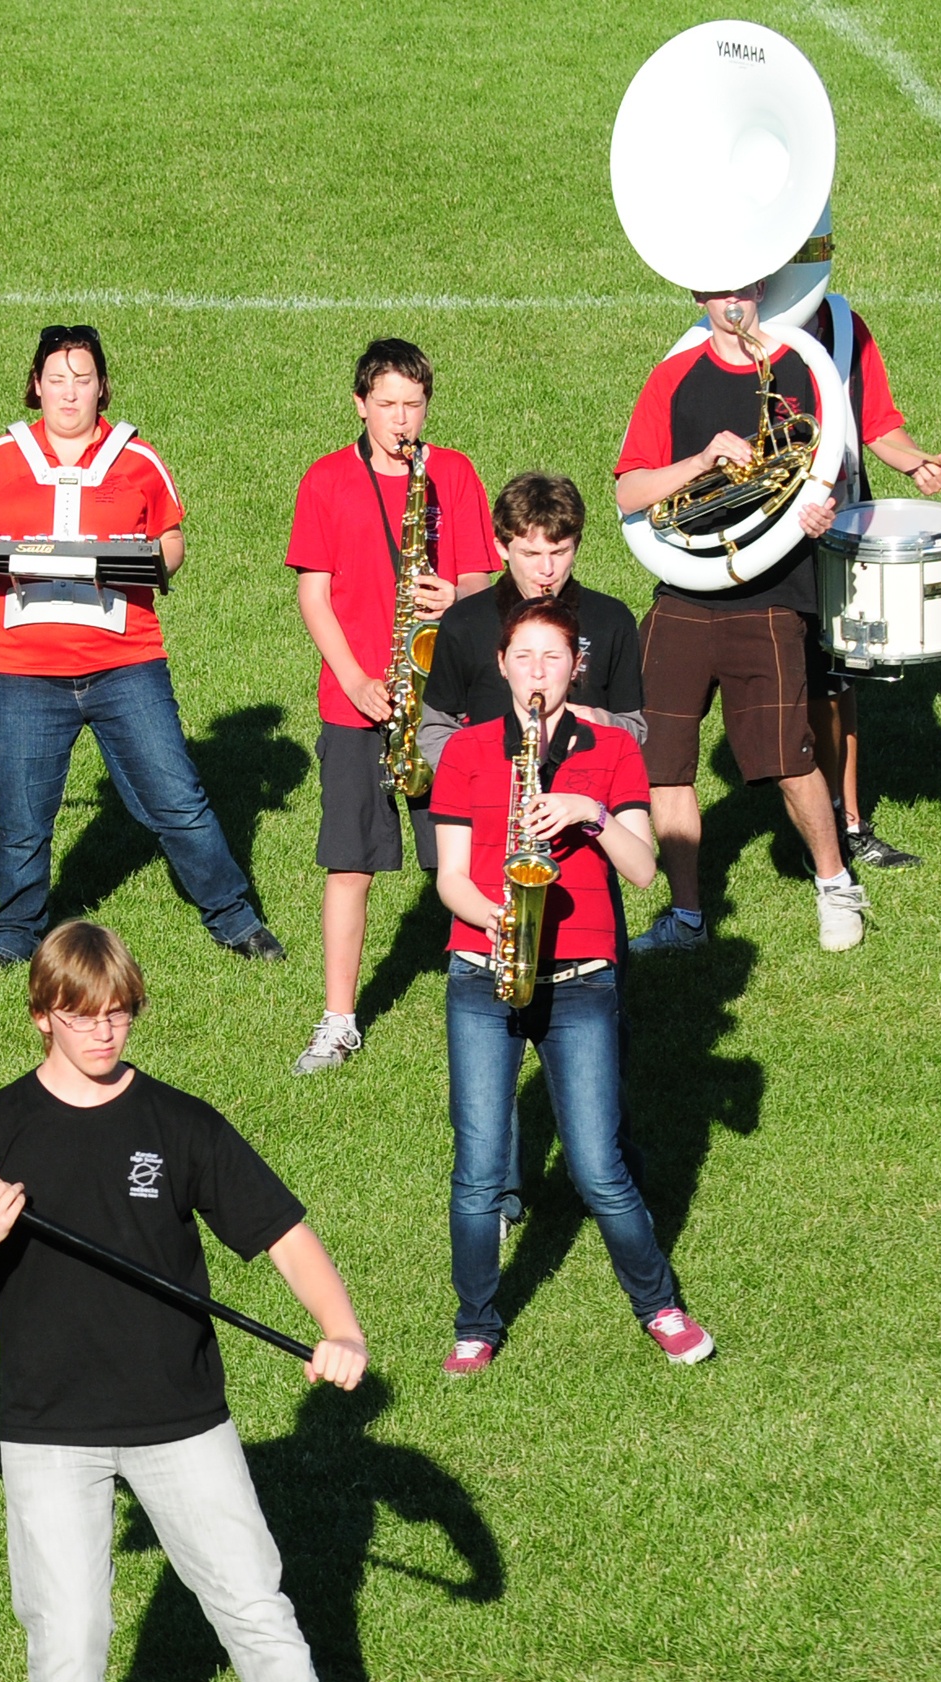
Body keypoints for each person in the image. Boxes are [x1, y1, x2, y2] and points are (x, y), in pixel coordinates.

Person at [0, 921, 394, 1682]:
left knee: (261, 1616)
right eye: (85, 1017)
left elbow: (282, 1231)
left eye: (121, 1013)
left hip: (186, 1425)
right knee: (69, 1638)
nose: (106, 1034)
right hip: (50, 1433)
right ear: (44, 1014)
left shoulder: (177, 1123)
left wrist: (341, 1327)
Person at [430, 598, 712, 1374]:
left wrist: (588, 811)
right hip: (483, 969)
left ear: (575, 666)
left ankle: (659, 1304)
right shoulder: (466, 753)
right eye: (523, 659)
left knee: (596, 1166)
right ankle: (476, 1321)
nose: (537, 675)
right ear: (500, 665)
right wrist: (499, 916)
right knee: (479, 1167)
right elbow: (450, 878)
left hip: (583, 980)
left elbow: (645, 867)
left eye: (552, 659)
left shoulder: (613, 748)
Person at [0, 325, 280, 969]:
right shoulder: (0, 458)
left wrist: (132, 563)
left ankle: (234, 917)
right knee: (20, 811)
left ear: (102, 387)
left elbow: (172, 543)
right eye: (56, 379)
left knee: (176, 799)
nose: (69, 393)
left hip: (125, 663)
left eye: (82, 379)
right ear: (35, 387)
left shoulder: (137, 458)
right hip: (22, 670)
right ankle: (15, 932)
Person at [614, 291, 869, 954]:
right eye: (720, 288)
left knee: (788, 758)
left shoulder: (805, 369)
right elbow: (628, 491)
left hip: (776, 592)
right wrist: (700, 463)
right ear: (700, 295)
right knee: (663, 765)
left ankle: (835, 882)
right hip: (685, 591)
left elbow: (827, 472)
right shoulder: (673, 375)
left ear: (762, 290)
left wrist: (822, 509)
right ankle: (688, 916)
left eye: (746, 286)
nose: (735, 300)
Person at [283, 339, 498, 1074]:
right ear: (360, 405)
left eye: (414, 405)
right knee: (350, 865)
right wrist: (352, 679)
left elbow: (483, 581)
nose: (402, 420)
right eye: (388, 405)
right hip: (359, 702)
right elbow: (314, 594)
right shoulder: (327, 480)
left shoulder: (455, 473)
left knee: (463, 859)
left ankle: (492, 999)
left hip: (444, 704)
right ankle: (338, 1018)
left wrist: (459, 596)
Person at [801, 294, 941, 870]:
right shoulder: (734, 328)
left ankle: (849, 824)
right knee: (797, 682)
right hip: (765, 529)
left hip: (839, 527)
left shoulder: (844, 324)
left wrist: (914, 462)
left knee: (838, 679)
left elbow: (877, 423)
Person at [418, 472, 646, 758]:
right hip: (491, 792)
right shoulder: (464, 622)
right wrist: (476, 780)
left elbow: (635, 727)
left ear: (577, 544)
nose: (547, 569)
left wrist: (604, 724)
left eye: (559, 552)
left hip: (584, 793)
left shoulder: (612, 619)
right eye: (531, 554)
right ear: (501, 547)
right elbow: (436, 729)